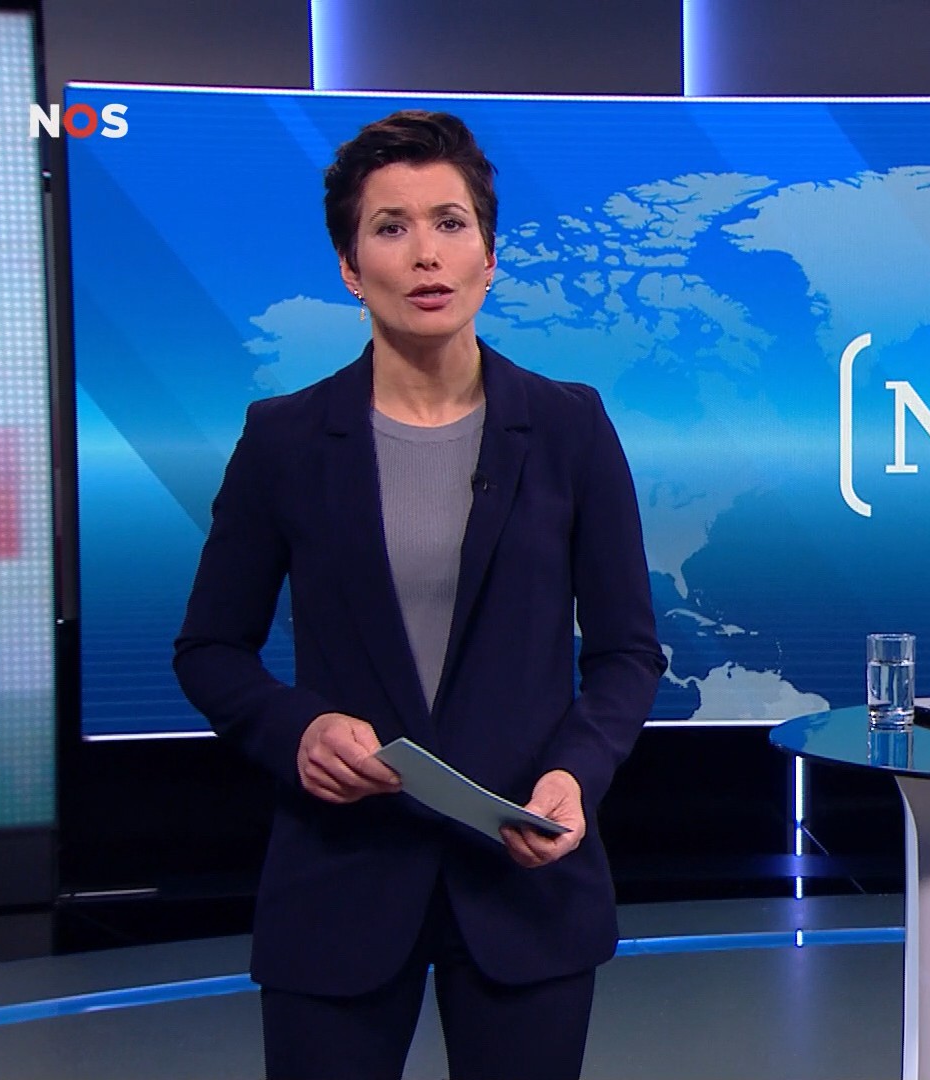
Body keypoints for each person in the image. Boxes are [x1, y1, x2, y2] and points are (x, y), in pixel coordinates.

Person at [173, 109, 665, 1080]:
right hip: (339, 881)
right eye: (390, 228)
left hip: (524, 874)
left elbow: (626, 653)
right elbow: (210, 650)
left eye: (450, 223)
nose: (426, 254)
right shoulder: (283, 440)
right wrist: (298, 730)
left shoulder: (568, 428)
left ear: (489, 255)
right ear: (351, 268)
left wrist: (576, 776)